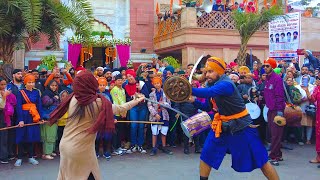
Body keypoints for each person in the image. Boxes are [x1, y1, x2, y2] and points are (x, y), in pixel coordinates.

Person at [188, 56, 279, 180]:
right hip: (221, 126)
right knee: (206, 155)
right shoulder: (212, 84)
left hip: (242, 126)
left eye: (210, 71)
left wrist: (187, 89)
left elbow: (207, 93)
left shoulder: (226, 84)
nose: (207, 75)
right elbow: (207, 106)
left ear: (219, 71)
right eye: (206, 72)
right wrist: (193, 100)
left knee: (261, 160)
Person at [49, 71, 145, 180]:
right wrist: (137, 100)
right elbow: (121, 108)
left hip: (66, 146)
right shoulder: (98, 103)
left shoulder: (73, 98)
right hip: (81, 149)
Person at [14, 74, 43, 167]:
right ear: (25, 83)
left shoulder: (36, 92)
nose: (31, 84)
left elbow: (39, 106)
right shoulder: (21, 92)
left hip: (33, 117)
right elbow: (18, 106)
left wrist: (40, 118)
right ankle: (19, 158)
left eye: (32, 82)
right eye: (29, 82)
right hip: (23, 116)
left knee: (31, 137)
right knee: (21, 137)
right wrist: (20, 120)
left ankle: (31, 157)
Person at [263, 58, 286, 166]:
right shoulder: (267, 78)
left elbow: (280, 96)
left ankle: (274, 157)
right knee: (273, 133)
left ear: (272, 67)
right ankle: (279, 154)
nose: (265, 68)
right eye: (264, 66)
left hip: (277, 110)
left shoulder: (277, 79)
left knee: (276, 134)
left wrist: (280, 111)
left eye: (267, 66)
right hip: (270, 109)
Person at [124, 69, 149, 154]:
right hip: (133, 107)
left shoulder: (141, 83)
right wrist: (132, 97)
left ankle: (140, 144)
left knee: (141, 125)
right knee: (133, 126)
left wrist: (140, 90)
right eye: (127, 77)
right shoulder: (126, 85)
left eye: (130, 76)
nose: (129, 78)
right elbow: (126, 98)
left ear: (134, 76)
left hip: (142, 107)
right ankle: (133, 144)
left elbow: (147, 95)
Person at [148, 76, 173, 156]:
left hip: (164, 115)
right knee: (154, 132)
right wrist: (155, 114)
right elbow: (149, 105)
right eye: (155, 83)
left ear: (161, 83)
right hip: (155, 116)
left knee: (164, 132)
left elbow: (169, 104)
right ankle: (154, 148)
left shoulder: (166, 94)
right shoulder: (151, 94)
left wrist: (164, 104)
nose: (156, 85)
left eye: (158, 83)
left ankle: (164, 146)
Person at [41, 80, 60, 160]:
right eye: (52, 85)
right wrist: (54, 98)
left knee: (53, 135)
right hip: (48, 117)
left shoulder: (55, 93)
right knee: (49, 136)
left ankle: (51, 151)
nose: (54, 87)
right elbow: (46, 103)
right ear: (49, 85)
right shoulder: (46, 93)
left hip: (54, 117)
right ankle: (46, 153)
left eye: (55, 85)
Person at [304, 77, 320, 167]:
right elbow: (312, 99)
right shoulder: (317, 88)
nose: (317, 80)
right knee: (318, 135)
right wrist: (306, 91)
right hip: (319, 115)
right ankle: (318, 157)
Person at [0, 77, 12, 164]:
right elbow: (1, 106)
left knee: (4, 137)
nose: (3, 86)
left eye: (5, 84)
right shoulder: (4, 93)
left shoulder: (6, 91)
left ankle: (4, 156)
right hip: (1, 114)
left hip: (5, 117)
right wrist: (4, 96)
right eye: (1, 84)